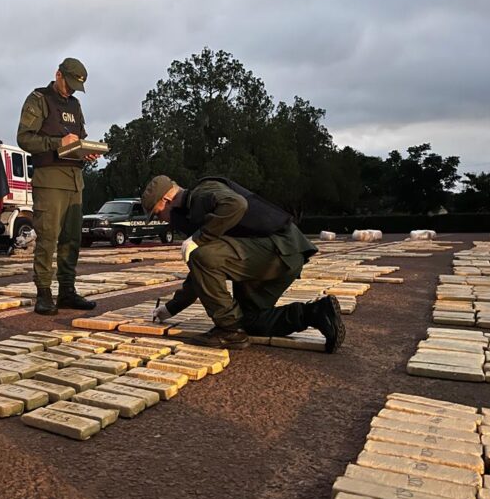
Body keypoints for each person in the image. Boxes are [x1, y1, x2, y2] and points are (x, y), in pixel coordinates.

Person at [141, 175, 345, 351]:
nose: (162, 220)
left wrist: (198, 239)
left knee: (202, 255)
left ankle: (229, 330)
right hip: (280, 254)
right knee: (249, 321)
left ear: (166, 199)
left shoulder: (203, 191)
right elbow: (201, 275)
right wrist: (170, 309)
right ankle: (317, 313)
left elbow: (236, 204)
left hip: (278, 248)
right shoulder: (192, 213)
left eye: (158, 213)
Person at [17, 58, 100, 315]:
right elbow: (24, 138)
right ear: (58, 75)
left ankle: (67, 292)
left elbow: (79, 137)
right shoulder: (39, 99)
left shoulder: (75, 105)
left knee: (71, 239)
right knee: (48, 238)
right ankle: (44, 293)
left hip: (75, 180)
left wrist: (86, 150)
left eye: (76, 86)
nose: (71, 90)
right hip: (50, 179)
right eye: (70, 84)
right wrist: (58, 143)